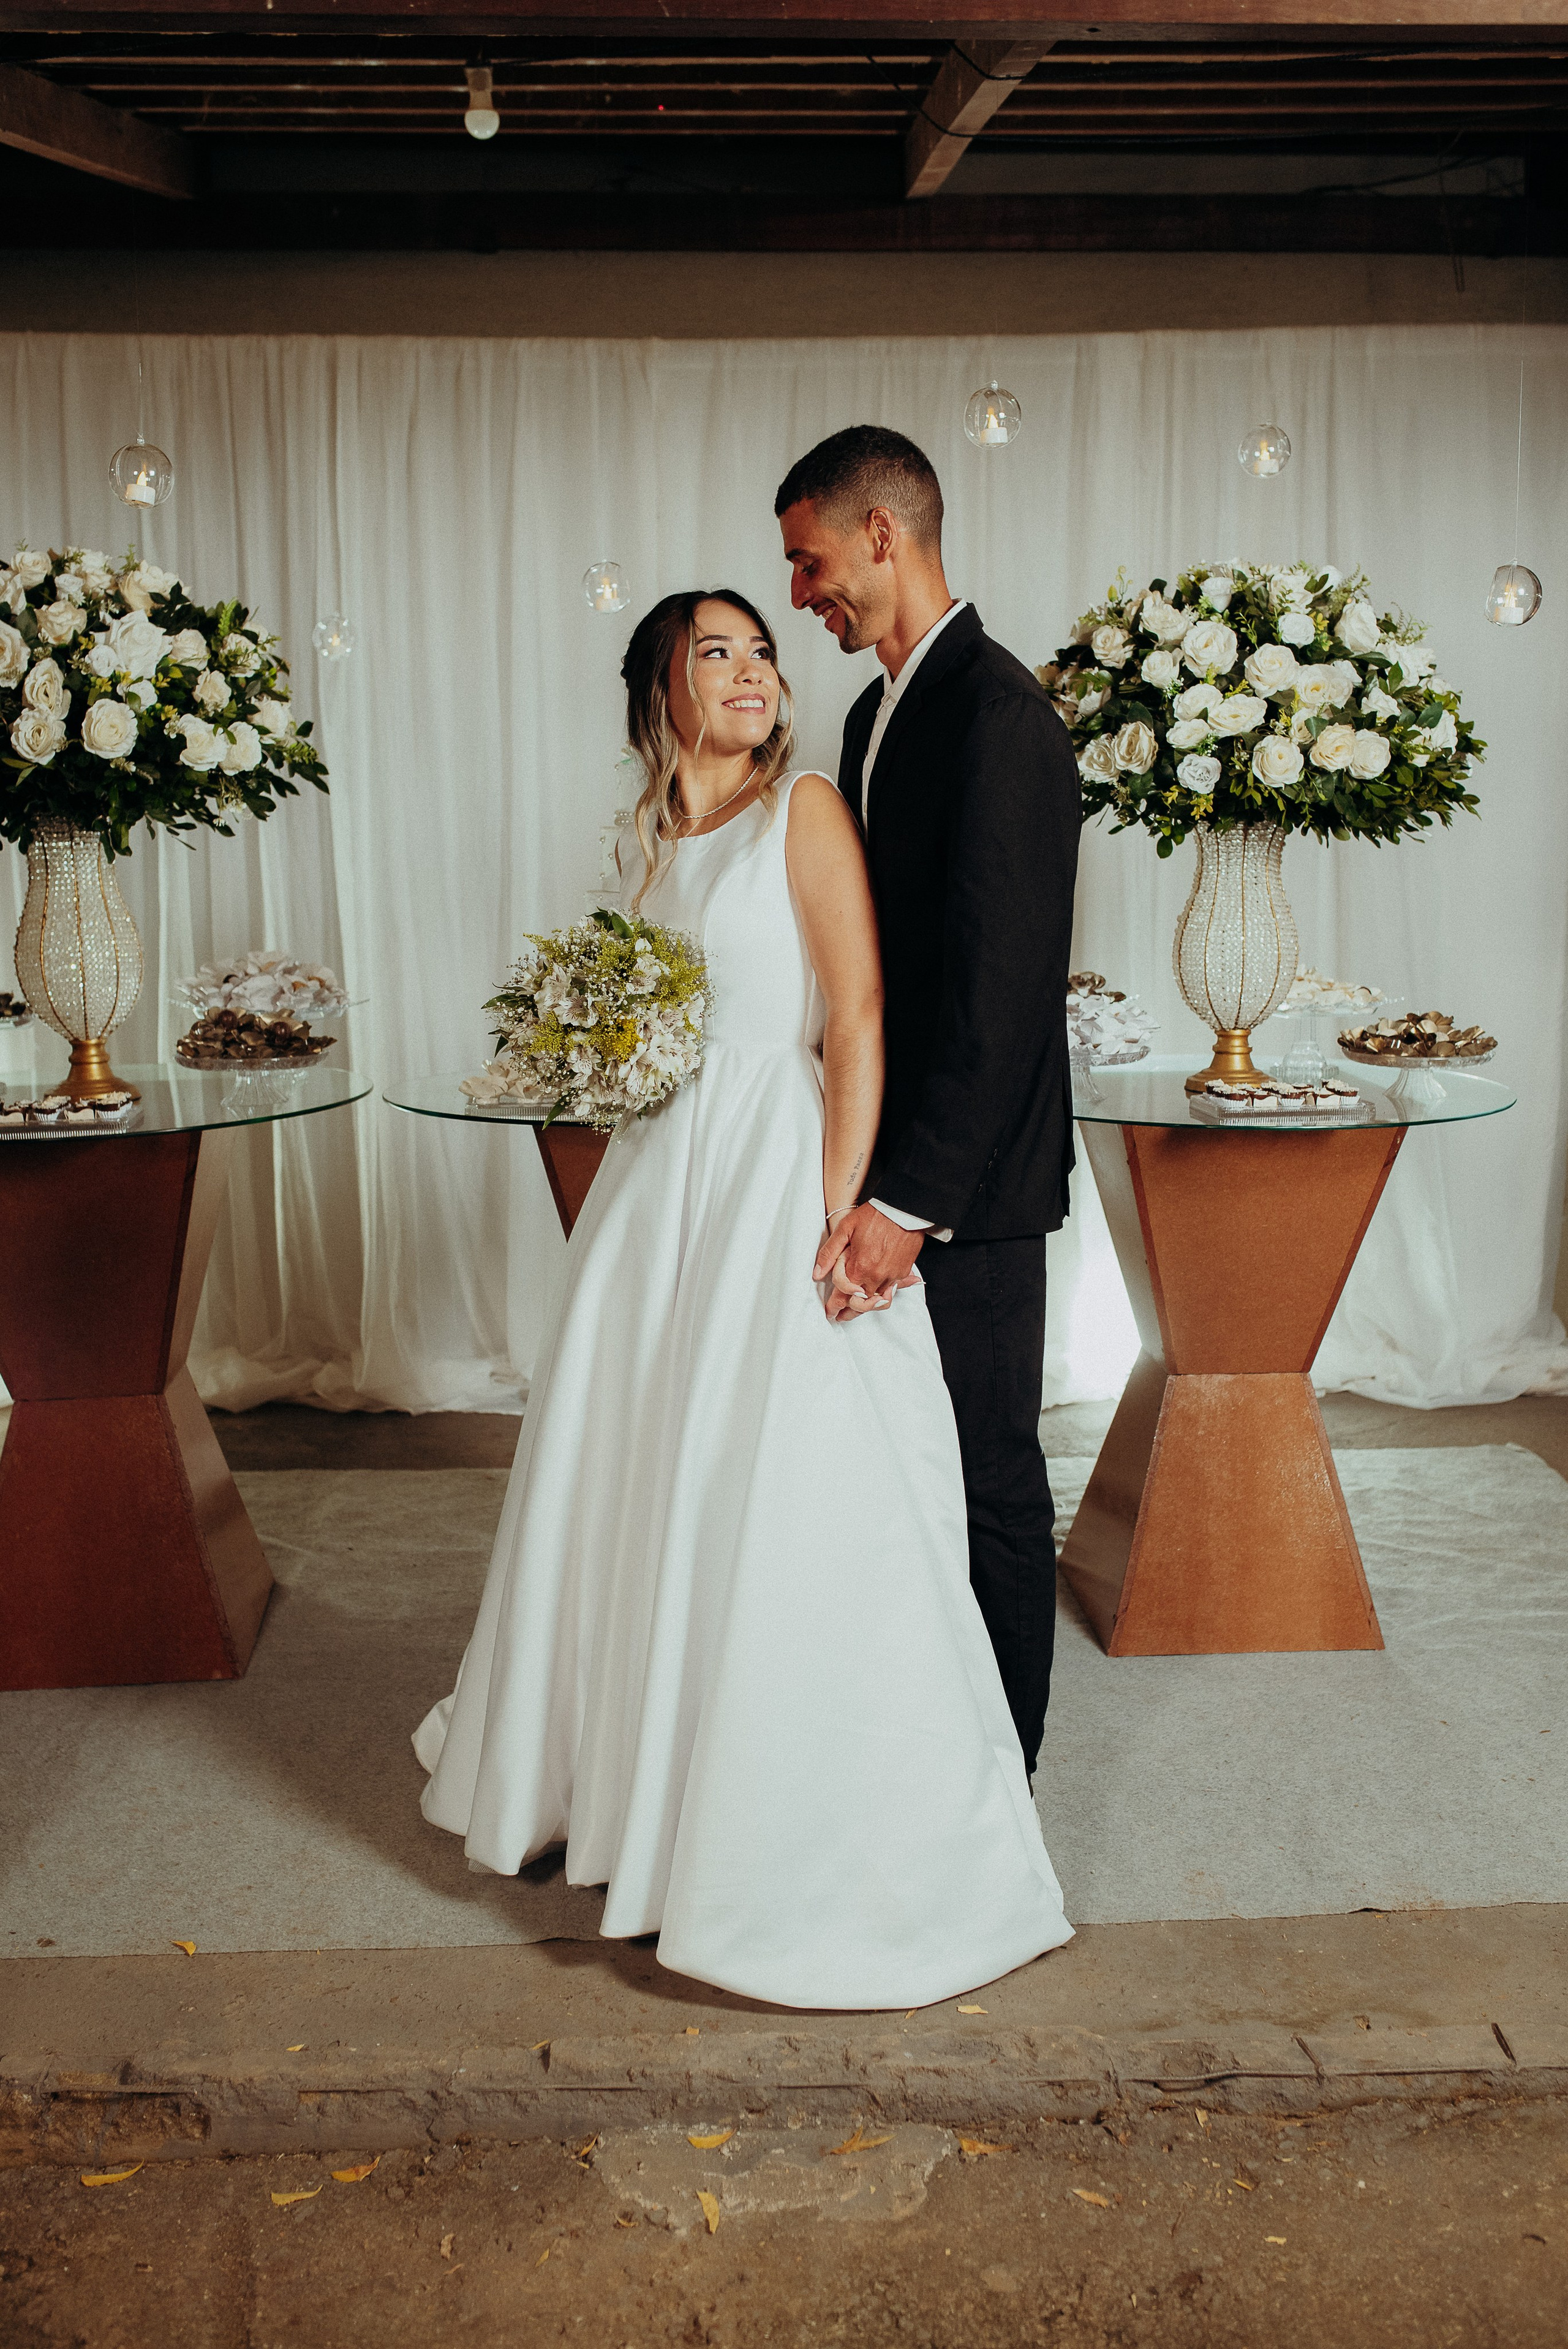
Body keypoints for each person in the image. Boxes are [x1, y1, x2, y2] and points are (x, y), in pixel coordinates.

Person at [413, 586, 1071, 2010]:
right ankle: (632, 1776)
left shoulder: (805, 811)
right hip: (665, 1187)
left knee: (778, 1479)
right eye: (714, 653)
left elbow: (857, 1014)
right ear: (660, 692)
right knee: (644, 1470)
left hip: (775, 1171)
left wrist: (838, 1210)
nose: (751, 670)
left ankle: (790, 1815)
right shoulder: (652, 843)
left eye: (759, 649)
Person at [776, 426, 1080, 1779]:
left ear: (882, 535)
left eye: (809, 562)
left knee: (990, 1478)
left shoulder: (1003, 717)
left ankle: (1004, 1775)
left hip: (971, 1190)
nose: (799, 594)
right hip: (886, 1169)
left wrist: (908, 1205)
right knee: (899, 1475)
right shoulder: (871, 715)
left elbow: (1000, 999)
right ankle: (921, 1744)